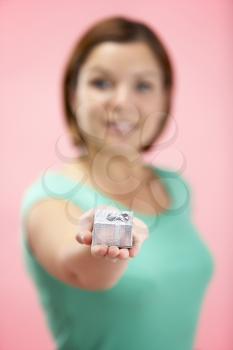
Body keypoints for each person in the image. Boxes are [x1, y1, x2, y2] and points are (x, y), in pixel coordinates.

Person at [20, 15, 215, 350]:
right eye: (102, 83)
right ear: (72, 94)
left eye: (143, 85)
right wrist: (108, 239)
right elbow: (79, 268)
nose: (123, 102)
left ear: (165, 97)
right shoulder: (50, 198)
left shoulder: (174, 186)